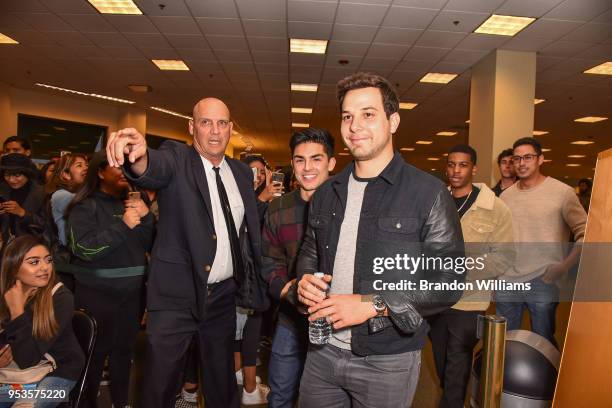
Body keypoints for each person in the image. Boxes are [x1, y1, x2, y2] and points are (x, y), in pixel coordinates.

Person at [296, 72, 464, 408]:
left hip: (388, 361)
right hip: (322, 351)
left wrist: (373, 303)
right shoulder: (327, 193)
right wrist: (305, 281)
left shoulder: (428, 193)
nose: (354, 126)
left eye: (368, 114)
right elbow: (310, 252)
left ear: (393, 121)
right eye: (347, 116)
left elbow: (449, 281)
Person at [105, 97, 266, 408]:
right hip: (175, 296)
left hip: (222, 297)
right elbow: (152, 168)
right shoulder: (176, 158)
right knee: (160, 384)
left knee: (221, 383)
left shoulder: (242, 174)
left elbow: (247, 232)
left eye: (222, 123)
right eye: (206, 122)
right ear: (192, 127)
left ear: (231, 128)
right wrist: (137, 155)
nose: (215, 131)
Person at [428, 144, 513, 408]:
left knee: (457, 361)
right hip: (435, 299)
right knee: (442, 362)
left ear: (474, 169)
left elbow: (504, 257)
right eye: (451, 164)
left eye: (463, 165)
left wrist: (465, 267)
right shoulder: (435, 201)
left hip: (470, 301)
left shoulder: (495, 208)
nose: (456, 170)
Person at [66, 151, 154, 408]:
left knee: (124, 354)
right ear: (100, 172)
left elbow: (151, 244)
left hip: (131, 297)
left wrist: (146, 218)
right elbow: (83, 249)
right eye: (118, 167)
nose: (125, 173)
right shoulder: (84, 207)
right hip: (96, 296)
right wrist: (123, 225)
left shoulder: (132, 203)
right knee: (93, 355)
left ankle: (121, 402)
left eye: (127, 168)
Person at [263, 128, 336, 408]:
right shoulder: (278, 208)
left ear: (330, 163)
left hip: (335, 323)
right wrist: (287, 291)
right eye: (300, 160)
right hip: (290, 319)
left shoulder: (346, 207)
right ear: (292, 163)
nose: (307, 168)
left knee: (323, 399)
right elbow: (268, 259)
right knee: (280, 394)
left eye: (316, 159)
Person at [496, 137, 587, 345]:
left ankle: (547, 378)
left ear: (541, 159)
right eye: (516, 158)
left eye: (527, 157)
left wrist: (564, 266)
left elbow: (585, 233)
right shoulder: (506, 197)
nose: (521, 163)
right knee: (505, 343)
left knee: (542, 342)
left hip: (543, 279)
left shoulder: (562, 193)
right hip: (508, 281)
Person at [0, 235, 85, 408]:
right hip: (18, 374)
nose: (45, 268)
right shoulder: (6, 294)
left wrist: (17, 311)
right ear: (13, 267)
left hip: (60, 373)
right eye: (34, 262)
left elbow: (27, 359)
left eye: (48, 260)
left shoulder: (61, 298)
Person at [0, 154, 47, 247]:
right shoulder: (2, 190)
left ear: (27, 173)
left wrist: (22, 213)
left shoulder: (42, 193)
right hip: (6, 246)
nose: (11, 180)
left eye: (17, 175)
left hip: (32, 245)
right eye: (7, 175)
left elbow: (47, 225)